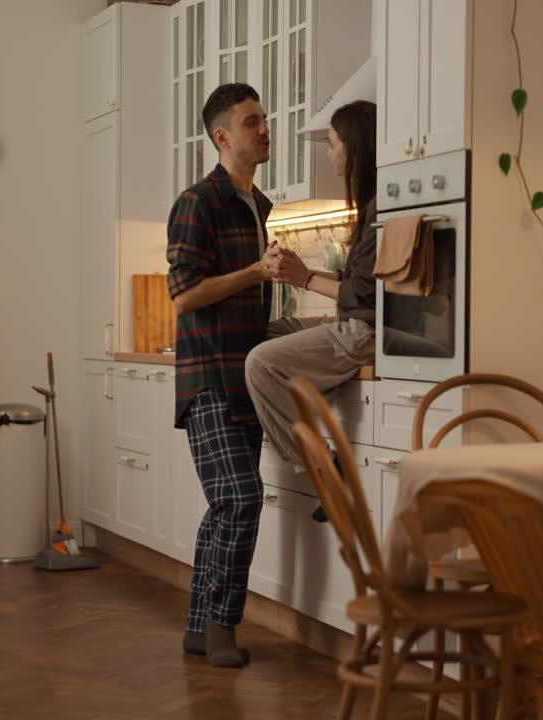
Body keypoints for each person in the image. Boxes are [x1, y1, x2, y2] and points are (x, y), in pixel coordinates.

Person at [166, 83, 278, 669]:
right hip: (209, 376)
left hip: (248, 380)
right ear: (222, 136)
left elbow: (251, 294)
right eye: (251, 120)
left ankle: (194, 626)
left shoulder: (260, 206)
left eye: (266, 119)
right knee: (241, 497)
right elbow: (184, 296)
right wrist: (256, 269)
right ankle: (222, 626)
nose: (265, 129)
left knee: (223, 505)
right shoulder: (197, 202)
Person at [245, 100, 378, 487]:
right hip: (352, 323)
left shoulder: (380, 208)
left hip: (364, 332)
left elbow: (361, 296)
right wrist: (298, 272)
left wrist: (303, 278)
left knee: (260, 363)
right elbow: (354, 281)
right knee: (266, 335)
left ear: (355, 149)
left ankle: (325, 470)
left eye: (333, 143)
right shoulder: (370, 207)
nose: (330, 154)